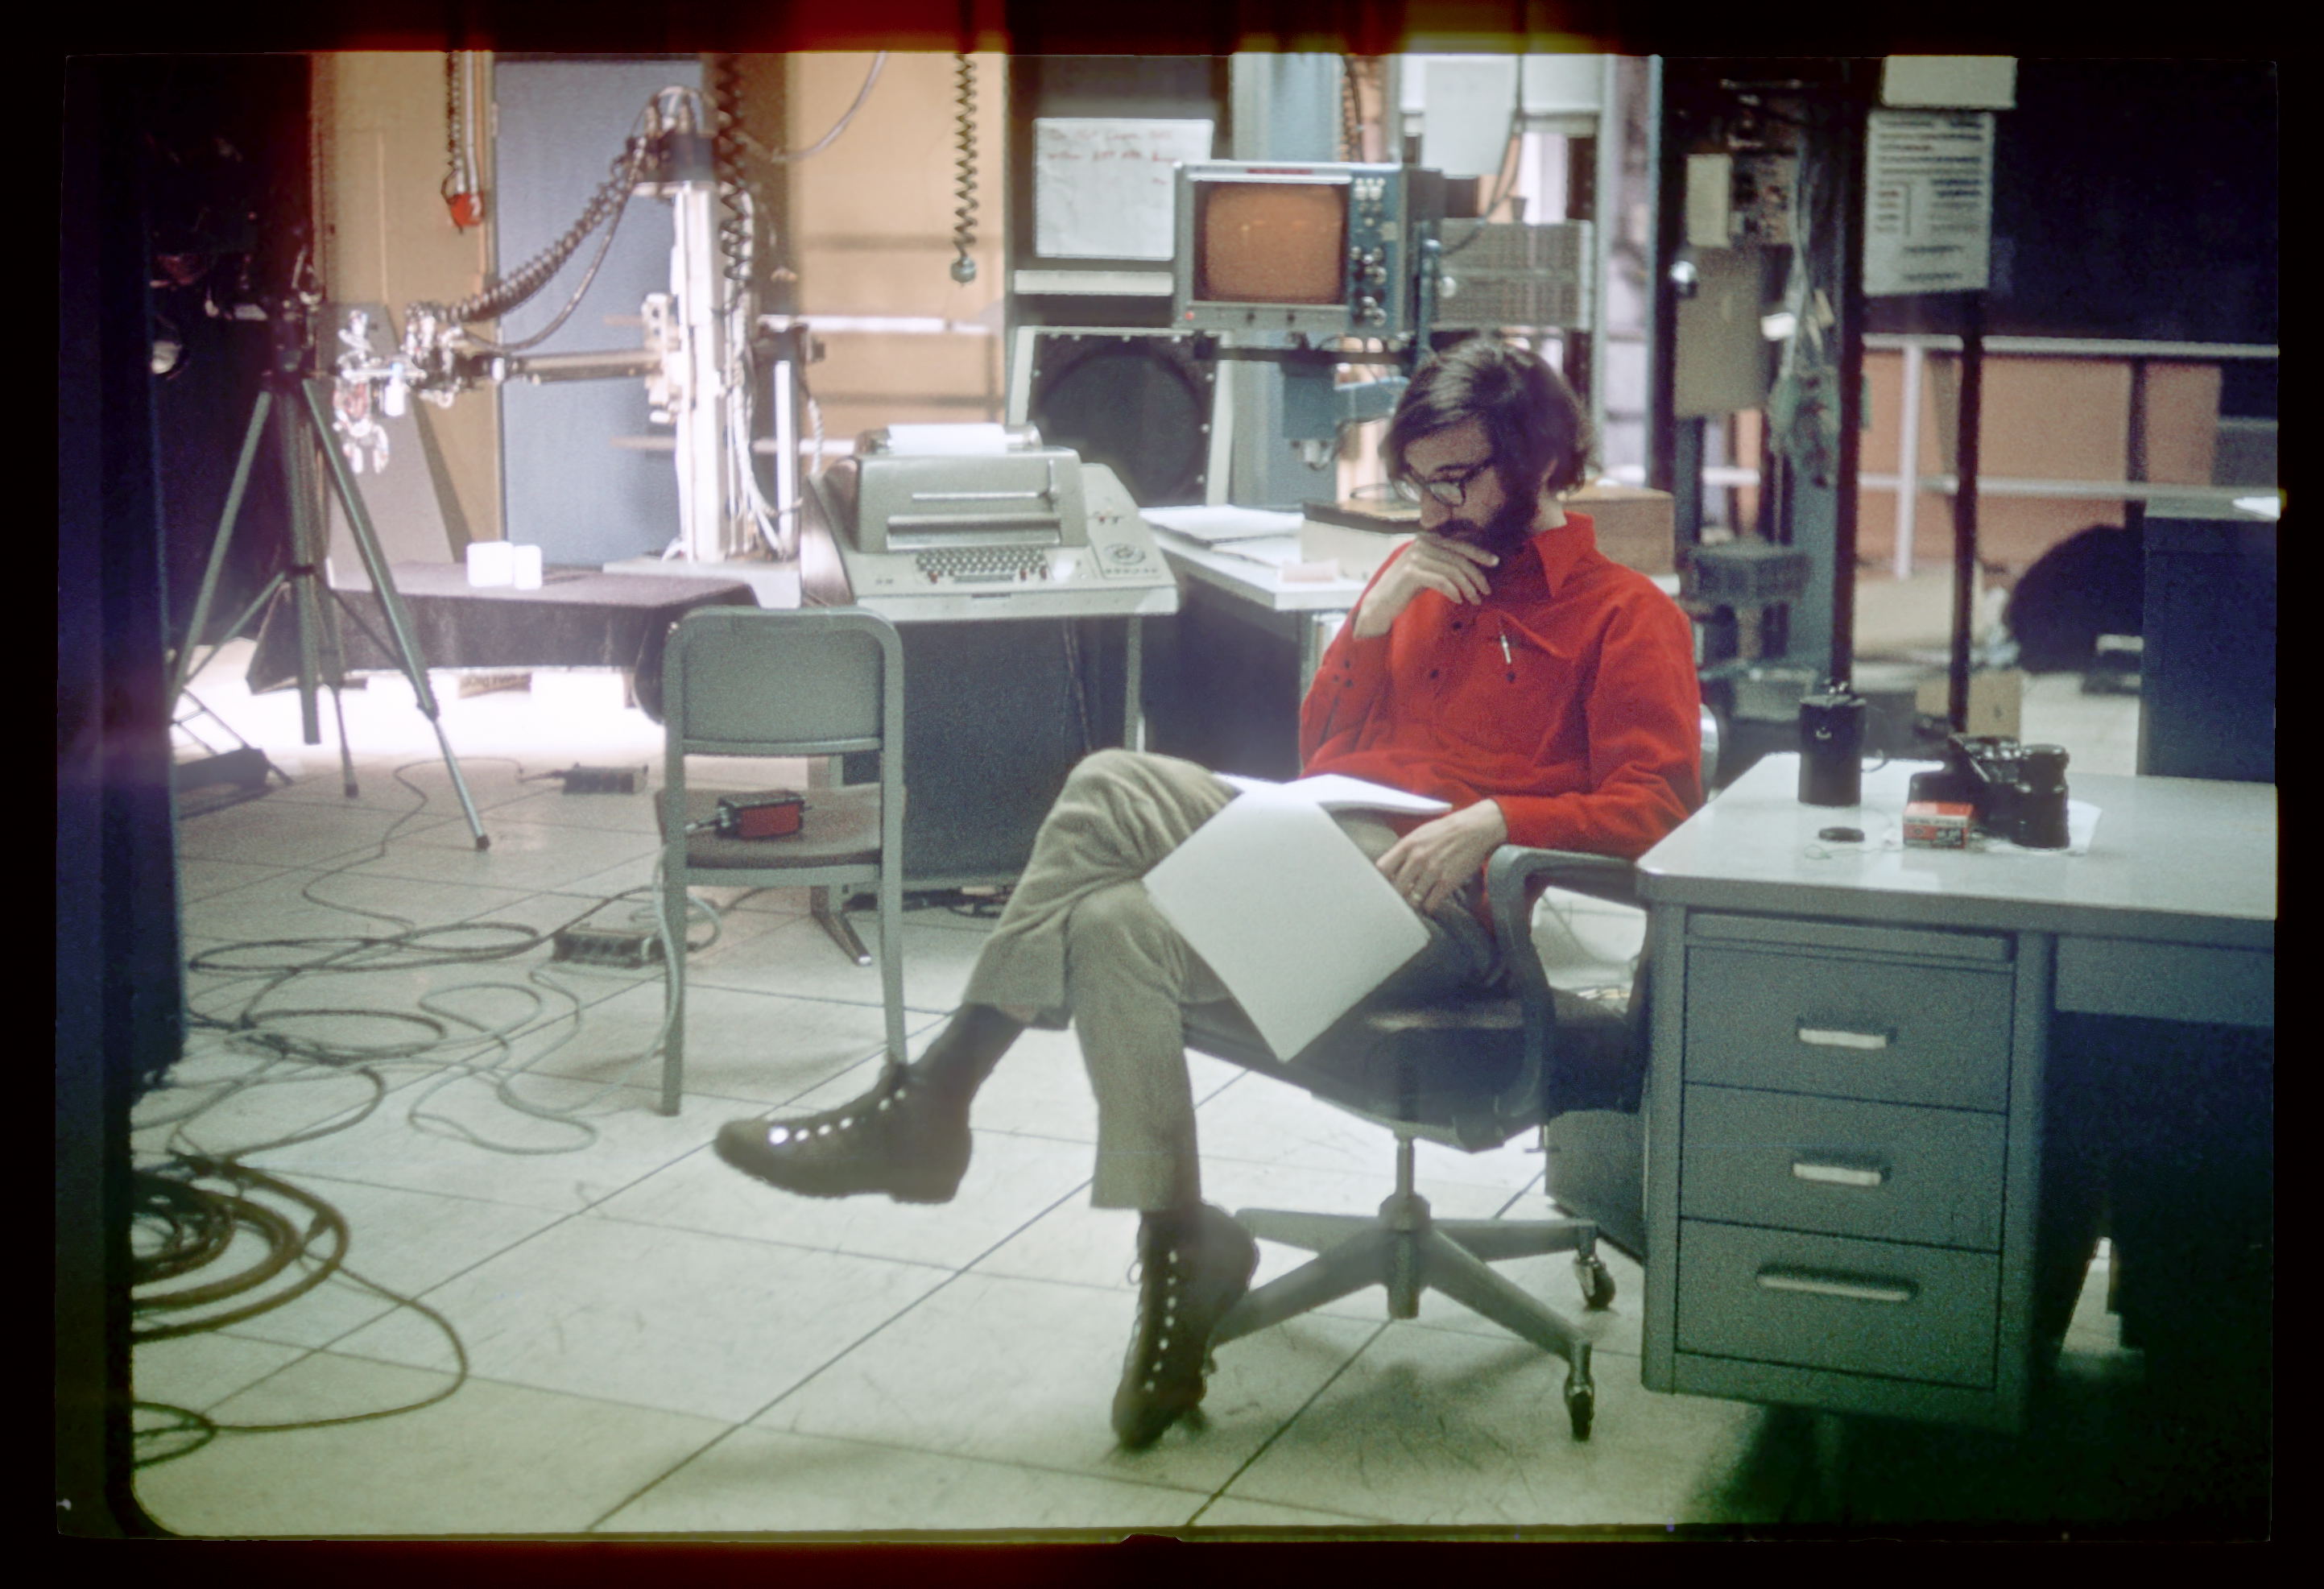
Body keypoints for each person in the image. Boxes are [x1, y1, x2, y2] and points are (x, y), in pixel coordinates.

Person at [713, 336, 1702, 1449]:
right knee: (1111, 908)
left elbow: (1660, 809)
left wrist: (1499, 821)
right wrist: (1373, 623)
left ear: (1538, 464)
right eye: (1418, 482)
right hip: (1328, 849)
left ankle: (934, 1107)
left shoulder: (1626, 615)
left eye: (1460, 480)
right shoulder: (1421, 579)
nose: (1434, 509)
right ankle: (1176, 1237)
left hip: (1445, 914)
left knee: (1109, 804)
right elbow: (1325, 751)